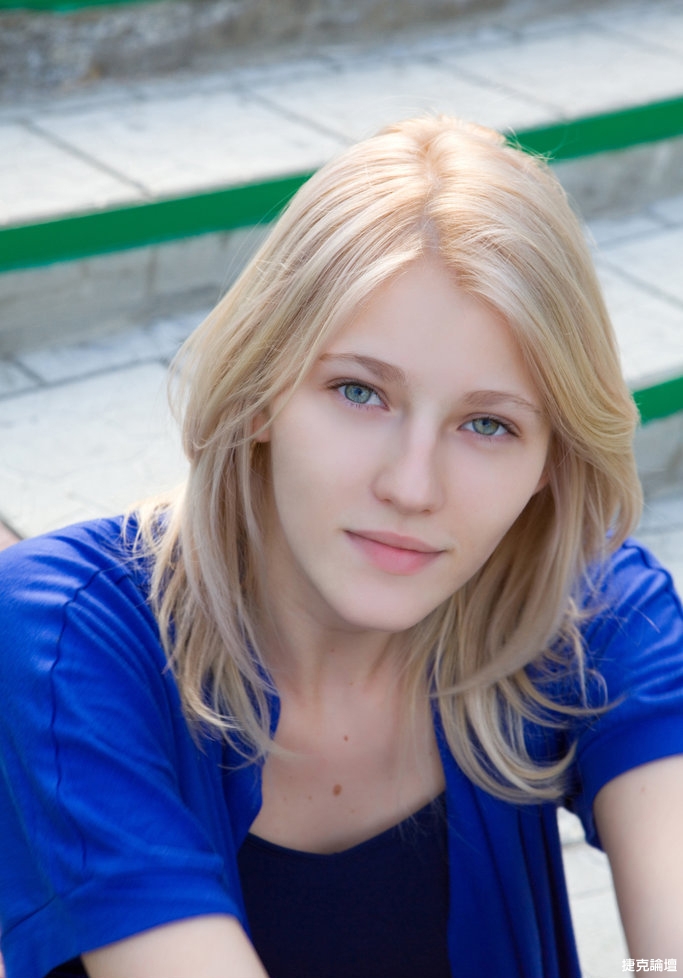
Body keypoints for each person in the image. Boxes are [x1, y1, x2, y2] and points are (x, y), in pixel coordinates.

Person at [1, 115, 683, 978]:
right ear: (259, 391)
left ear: (550, 461)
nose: (411, 486)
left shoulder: (588, 611)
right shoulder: (63, 630)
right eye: (359, 392)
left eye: (487, 424)